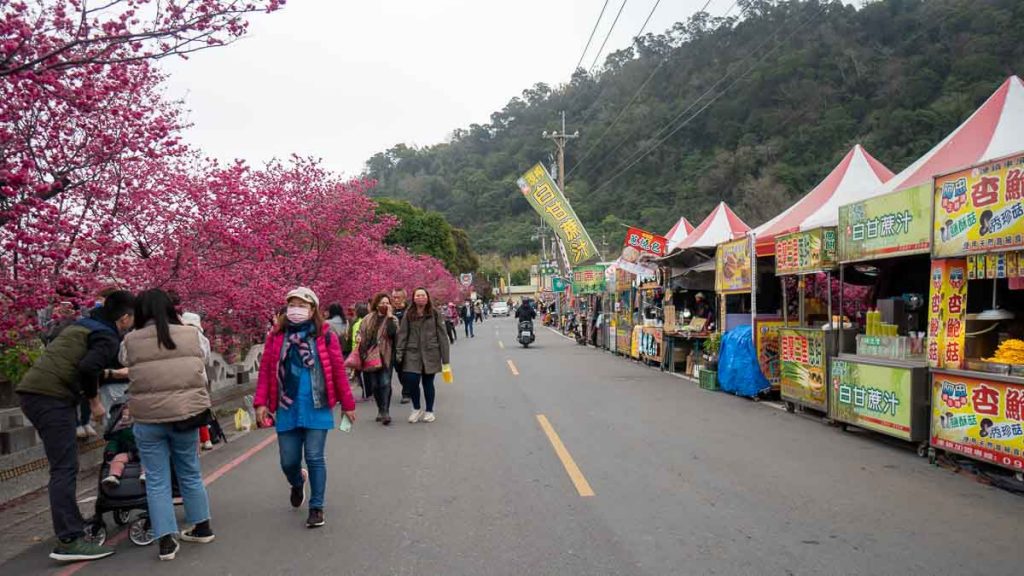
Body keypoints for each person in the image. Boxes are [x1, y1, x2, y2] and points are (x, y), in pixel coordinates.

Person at [16, 291, 135, 562]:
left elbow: (79, 364)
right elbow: (87, 368)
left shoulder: (83, 325)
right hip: (50, 398)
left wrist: (113, 374)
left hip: (37, 392)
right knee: (64, 468)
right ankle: (69, 540)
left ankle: (72, 524)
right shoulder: (107, 336)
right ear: (125, 317)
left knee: (65, 464)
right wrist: (95, 403)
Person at [120, 289, 214, 561]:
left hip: (149, 419)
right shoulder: (192, 334)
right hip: (187, 416)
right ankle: (202, 526)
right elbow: (205, 358)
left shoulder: (130, 340)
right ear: (173, 310)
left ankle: (165, 542)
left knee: (157, 479)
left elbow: (123, 361)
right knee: (190, 472)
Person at [254, 287, 357, 529]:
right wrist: (260, 403)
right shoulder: (277, 336)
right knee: (288, 461)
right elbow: (266, 371)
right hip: (286, 406)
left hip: (317, 404)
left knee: (314, 457)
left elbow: (338, 371)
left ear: (313, 310)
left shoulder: (325, 336)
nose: (296, 310)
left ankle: (316, 507)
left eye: (302, 305)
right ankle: (297, 481)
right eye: (292, 305)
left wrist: (348, 404)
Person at [396, 288, 451, 423]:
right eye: (418, 295)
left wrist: (445, 360)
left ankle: (429, 411)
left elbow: (443, 336)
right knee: (412, 380)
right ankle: (416, 408)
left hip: (430, 352)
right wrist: (399, 353)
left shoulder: (435, 314)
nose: (420, 297)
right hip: (412, 352)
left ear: (427, 297)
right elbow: (402, 334)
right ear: (413, 298)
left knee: (428, 383)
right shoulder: (409, 314)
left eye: (423, 295)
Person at [357, 293, 399, 424]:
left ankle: (386, 411)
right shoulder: (368, 318)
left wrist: (390, 316)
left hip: (386, 354)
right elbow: (360, 331)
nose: (384, 305)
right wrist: (358, 337)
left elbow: (393, 333)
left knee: (385, 382)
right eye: (382, 303)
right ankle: (380, 409)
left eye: (387, 303)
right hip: (370, 355)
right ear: (376, 304)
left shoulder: (392, 319)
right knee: (375, 385)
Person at [101, 404, 143, 487]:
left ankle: (145, 474)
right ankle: (113, 476)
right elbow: (114, 442)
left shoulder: (141, 427)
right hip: (127, 452)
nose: (125, 417)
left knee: (148, 459)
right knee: (117, 459)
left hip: (142, 451)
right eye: (123, 415)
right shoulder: (119, 431)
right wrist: (110, 451)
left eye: (128, 415)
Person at [390, 288, 411, 404]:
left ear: (404, 297)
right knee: (399, 370)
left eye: (398, 297)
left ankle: (406, 393)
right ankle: (408, 388)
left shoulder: (409, 311)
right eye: (394, 297)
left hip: (408, 345)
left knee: (407, 369)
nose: (396, 300)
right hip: (394, 345)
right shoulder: (390, 312)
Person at [347, 303, 370, 401]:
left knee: (360, 373)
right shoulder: (369, 322)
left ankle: (366, 392)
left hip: (359, 351)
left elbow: (355, 339)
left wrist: (354, 350)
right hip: (368, 350)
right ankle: (368, 392)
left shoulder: (357, 324)